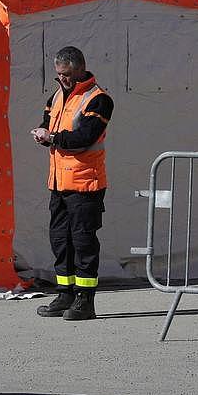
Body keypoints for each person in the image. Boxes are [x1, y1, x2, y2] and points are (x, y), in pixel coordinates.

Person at [31, 46, 114, 321]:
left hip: (85, 184)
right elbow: (49, 125)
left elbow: (84, 137)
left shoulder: (99, 99)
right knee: (60, 241)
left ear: (79, 68)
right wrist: (43, 135)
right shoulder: (56, 97)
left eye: (66, 74)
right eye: (59, 75)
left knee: (83, 242)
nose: (62, 79)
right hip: (58, 182)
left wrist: (52, 137)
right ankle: (64, 293)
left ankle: (85, 300)